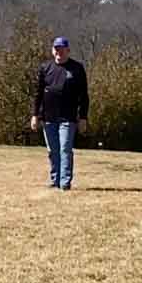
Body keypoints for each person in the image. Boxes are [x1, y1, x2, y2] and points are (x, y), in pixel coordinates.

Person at [31, 36, 89, 190]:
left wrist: (83, 117)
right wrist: (35, 115)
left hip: (68, 118)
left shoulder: (77, 69)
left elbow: (84, 96)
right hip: (48, 117)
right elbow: (38, 94)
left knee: (65, 149)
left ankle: (65, 182)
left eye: (62, 49)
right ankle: (55, 180)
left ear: (68, 51)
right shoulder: (45, 68)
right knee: (53, 150)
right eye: (56, 49)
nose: (59, 52)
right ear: (52, 50)